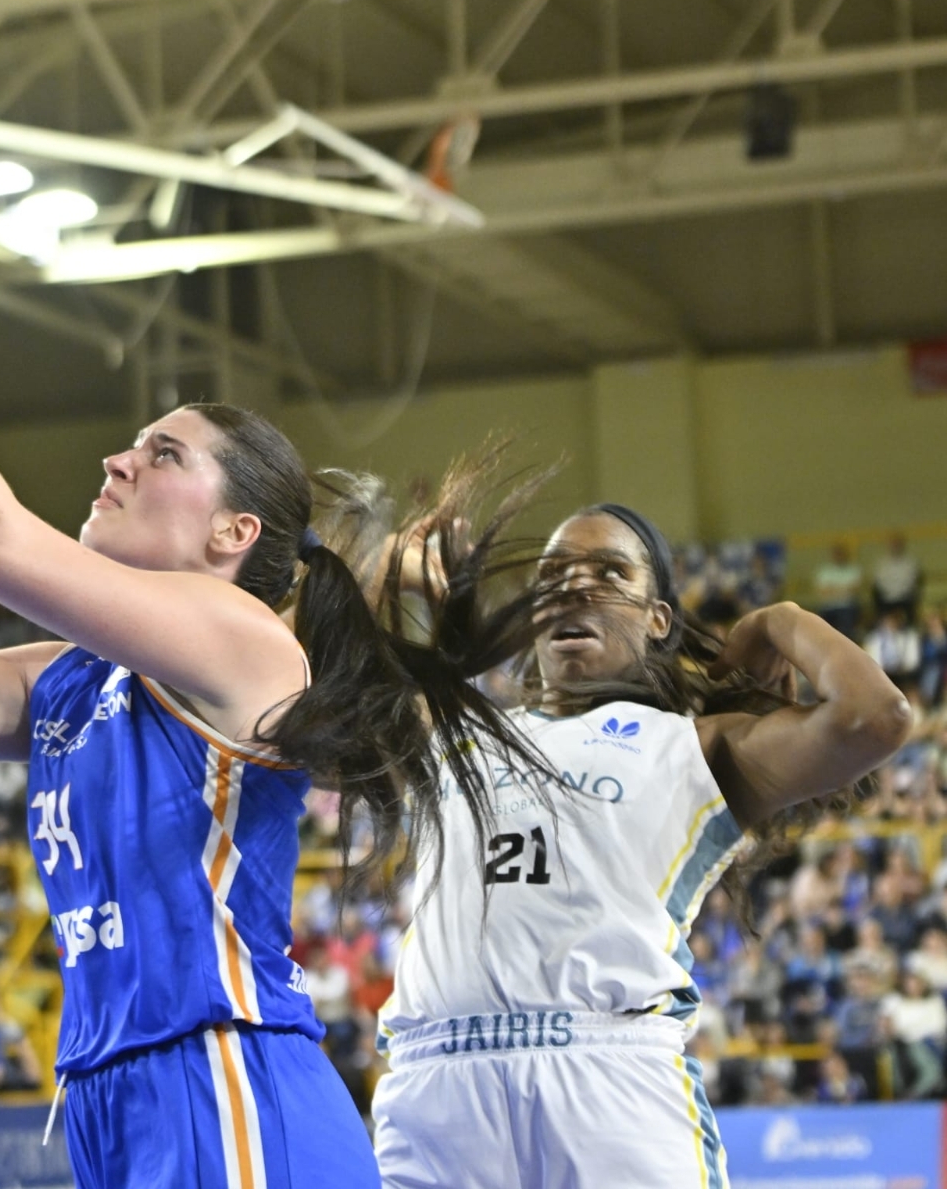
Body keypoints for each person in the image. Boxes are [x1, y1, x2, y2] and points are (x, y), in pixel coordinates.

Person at [0, 151, 537, 1189]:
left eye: (162, 454)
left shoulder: (244, 638)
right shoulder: (68, 682)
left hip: (227, 1079)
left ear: (233, 532)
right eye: (132, 445)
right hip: (109, 1093)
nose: (119, 462)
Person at [371, 504, 910, 1187]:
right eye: (556, 574)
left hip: (609, 1080)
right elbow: (302, 705)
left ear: (658, 618)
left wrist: (780, 620)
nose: (574, 586)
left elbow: (876, 717)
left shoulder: (699, 742)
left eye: (609, 572)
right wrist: (379, 574)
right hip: (434, 1096)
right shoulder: (454, 733)